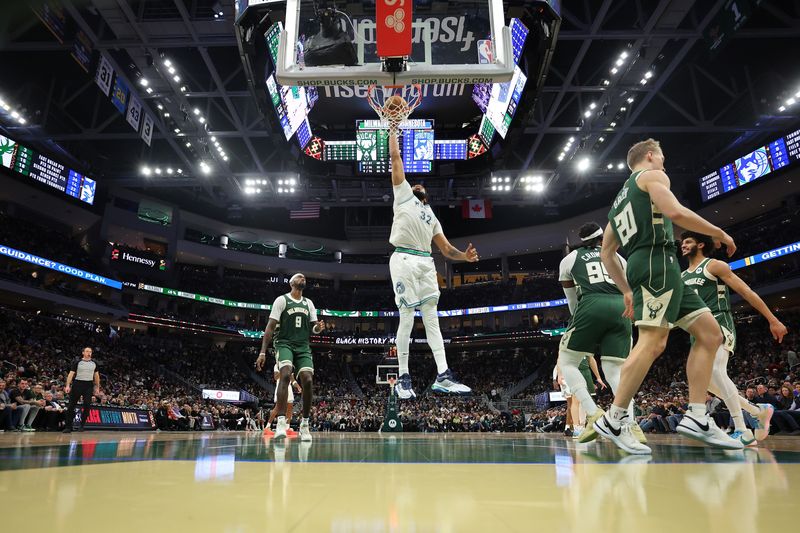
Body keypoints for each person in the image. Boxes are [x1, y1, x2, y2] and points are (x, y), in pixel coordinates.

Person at [594, 138, 743, 454]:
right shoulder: (651, 176)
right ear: (650, 156)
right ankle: (614, 418)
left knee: (710, 334)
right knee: (652, 341)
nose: (664, 163)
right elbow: (675, 211)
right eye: (662, 157)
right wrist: (718, 232)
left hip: (649, 265)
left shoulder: (619, 203)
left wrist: (627, 291)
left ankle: (697, 415)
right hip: (656, 262)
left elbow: (607, 254)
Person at [387, 112, 478, 399]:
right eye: (414, 185)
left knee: (432, 319)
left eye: (420, 187)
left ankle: (443, 375)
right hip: (402, 259)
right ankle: (403, 377)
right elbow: (396, 160)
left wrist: (465, 257)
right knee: (405, 317)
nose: (416, 186)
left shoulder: (431, 216)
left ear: (426, 195)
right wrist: (393, 129)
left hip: (427, 262)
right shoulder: (403, 196)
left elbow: (447, 249)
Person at [680, 231, 788, 445]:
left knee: (716, 372)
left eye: (688, 241)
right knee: (706, 383)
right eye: (683, 242)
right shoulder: (682, 277)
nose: (683, 245)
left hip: (719, 323)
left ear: (701, 244)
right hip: (698, 332)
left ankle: (742, 430)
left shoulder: (714, 265)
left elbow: (746, 291)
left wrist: (772, 319)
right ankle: (757, 411)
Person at [555, 221, 646, 445]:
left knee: (567, 362)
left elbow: (572, 300)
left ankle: (593, 413)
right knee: (616, 371)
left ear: (581, 240)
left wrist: (581, 319)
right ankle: (631, 425)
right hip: (621, 308)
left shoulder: (570, 259)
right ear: (601, 238)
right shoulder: (618, 257)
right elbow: (630, 287)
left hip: (591, 304)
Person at [256, 273, 324, 441]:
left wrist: (318, 329)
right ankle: (280, 423)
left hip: (302, 346)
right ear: (291, 283)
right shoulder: (281, 300)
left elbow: (313, 329)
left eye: (304, 278)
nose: (303, 278)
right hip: (284, 343)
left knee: (307, 380)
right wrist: (263, 351)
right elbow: (270, 327)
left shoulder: (309, 303)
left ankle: (305, 424)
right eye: (299, 277)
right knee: (285, 374)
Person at [63, 347, 101, 433]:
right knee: (71, 405)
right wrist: (68, 385)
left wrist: (97, 387)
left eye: (90, 351)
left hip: (88, 385)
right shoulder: (77, 362)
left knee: (87, 405)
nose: (89, 353)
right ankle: (68, 426)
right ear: (83, 352)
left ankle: (82, 425)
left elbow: (97, 376)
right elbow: (71, 374)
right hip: (77, 384)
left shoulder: (94, 363)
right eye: (87, 351)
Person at [263, 362, 301, 437]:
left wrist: (298, 386)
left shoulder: (291, 366)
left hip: (289, 388)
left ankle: (287, 428)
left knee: (290, 408)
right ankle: (267, 427)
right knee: (277, 407)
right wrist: (284, 369)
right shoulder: (277, 365)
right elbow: (276, 377)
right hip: (281, 386)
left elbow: (292, 380)